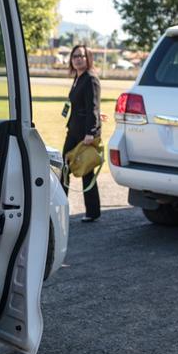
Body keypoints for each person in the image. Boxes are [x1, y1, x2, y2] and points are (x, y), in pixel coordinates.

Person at [63, 44, 102, 222]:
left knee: (86, 171)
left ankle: (92, 212)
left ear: (88, 59)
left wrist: (91, 132)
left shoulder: (91, 79)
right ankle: (60, 206)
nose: (78, 59)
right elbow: (83, 104)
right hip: (73, 130)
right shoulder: (78, 78)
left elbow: (93, 106)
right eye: (75, 56)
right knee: (64, 167)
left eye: (82, 56)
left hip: (85, 134)